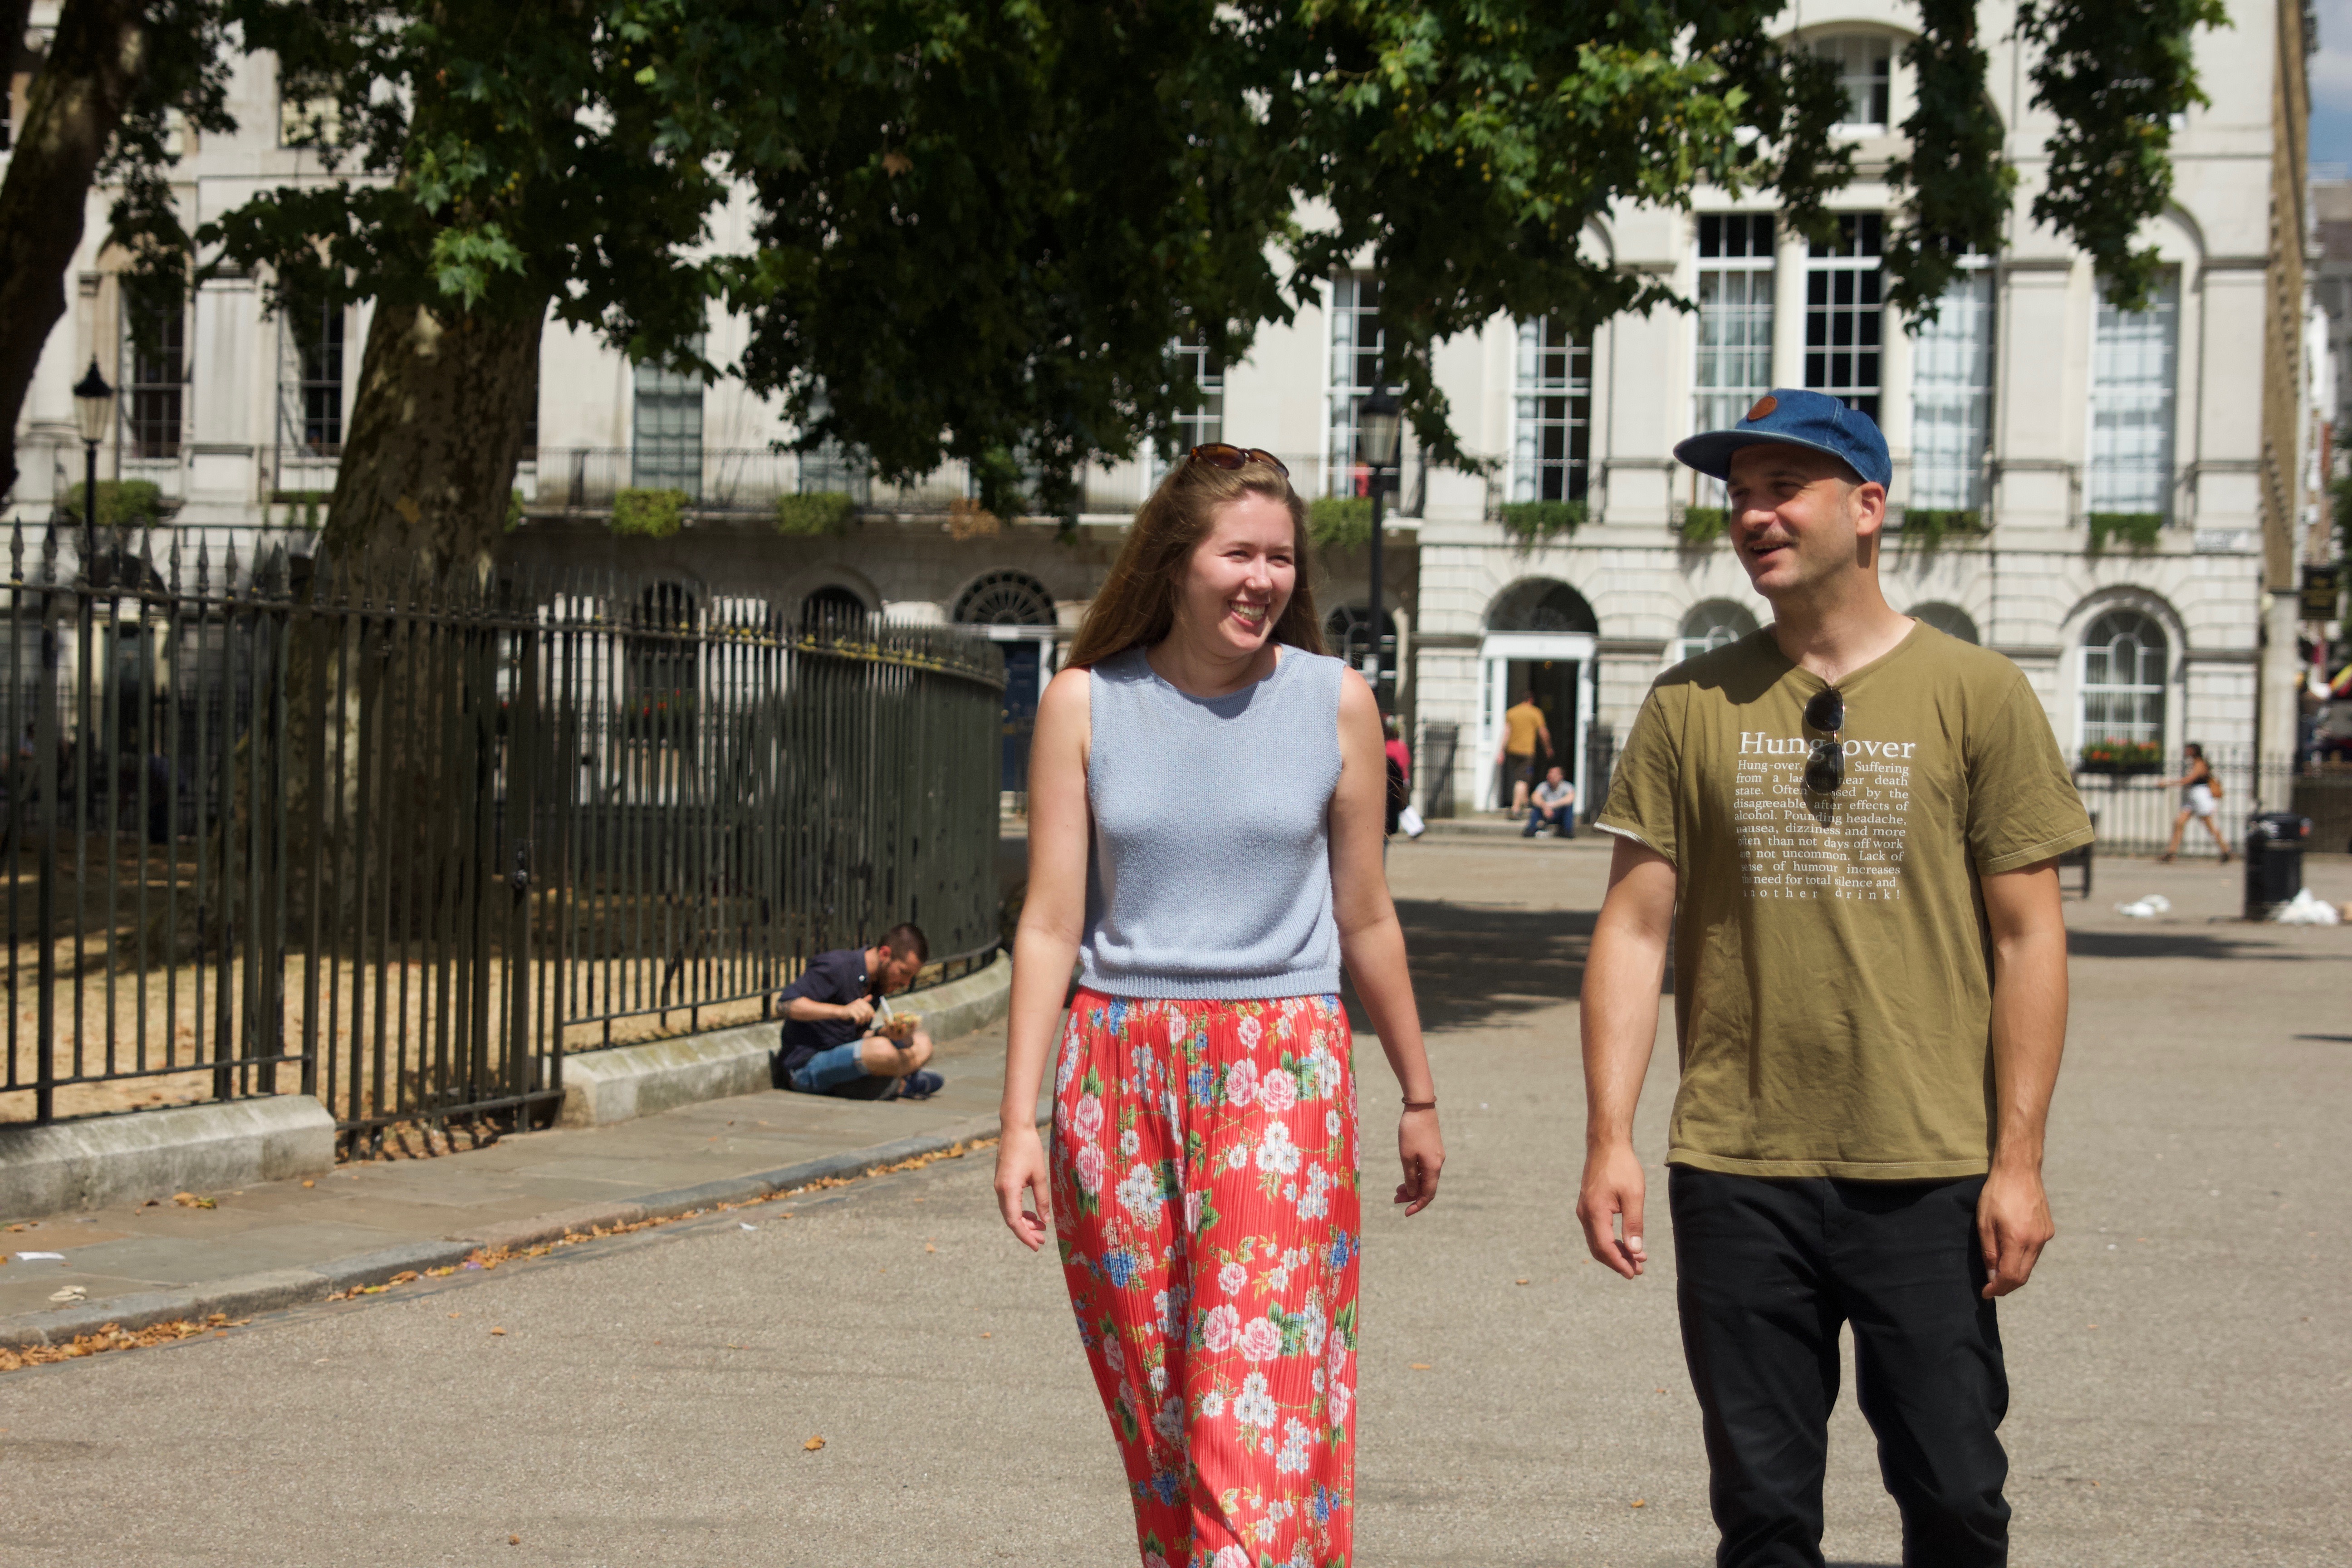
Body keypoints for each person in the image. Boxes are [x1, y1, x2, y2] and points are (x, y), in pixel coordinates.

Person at [1576, 389, 2091, 1568]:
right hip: (1737, 1166)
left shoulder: (1978, 694)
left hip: (1928, 1170)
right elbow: (1634, 929)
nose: (1753, 514)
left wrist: (2019, 1164)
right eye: (1739, 493)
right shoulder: (1688, 702)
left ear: (1867, 508)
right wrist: (1610, 1135)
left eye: (1781, 487)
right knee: (1763, 1515)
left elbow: (2029, 940)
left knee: (1957, 1499)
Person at [993, 441, 1445, 1568]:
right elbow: (1049, 921)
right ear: (1176, 560)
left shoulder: (1334, 702)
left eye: (1281, 557)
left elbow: (1367, 913)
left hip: (1280, 1067)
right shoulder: (1083, 702)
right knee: (1161, 1416)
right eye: (1238, 552)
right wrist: (1018, 1120)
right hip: (1113, 1070)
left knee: (1251, 1409)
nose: (1263, 578)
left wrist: (1417, 1088)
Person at [772, 923, 943, 1100]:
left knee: (923, 1043)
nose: (906, 983)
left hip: (847, 1054)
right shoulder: (837, 965)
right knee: (883, 1051)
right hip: (805, 1066)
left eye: (910, 977)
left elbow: (855, 1037)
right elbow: (785, 1005)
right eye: (904, 972)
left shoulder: (877, 983)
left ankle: (888, 1081)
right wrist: (842, 1011)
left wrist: (883, 1033)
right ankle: (901, 1082)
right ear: (885, 954)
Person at [2156, 742, 2231, 863]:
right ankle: (2171, 852)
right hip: (2193, 798)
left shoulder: (2200, 764)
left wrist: (2168, 783)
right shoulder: (2195, 764)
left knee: (2210, 826)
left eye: (2189, 750)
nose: (2187, 752)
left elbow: (2189, 780)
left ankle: (2226, 850)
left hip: (2201, 798)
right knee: (2179, 823)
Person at [1497, 692, 1551, 813]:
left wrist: (1501, 751)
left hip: (1512, 751)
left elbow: (1506, 732)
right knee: (1522, 779)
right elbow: (1543, 732)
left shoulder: (1511, 712)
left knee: (1525, 776)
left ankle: (1525, 803)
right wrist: (1548, 748)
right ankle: (1516, 808)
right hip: (1527, 752)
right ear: (1531, 700)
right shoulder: (1535, 712)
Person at [1523, 765, 1574, 838]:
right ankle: (1530, 830)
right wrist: (1545, 807)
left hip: (1558, 812)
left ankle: (1568, 831)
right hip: (1545, 812)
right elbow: (1535, 798)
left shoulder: (1567, 786)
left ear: (1560, 777)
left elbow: (1570, 799)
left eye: (1554, 774)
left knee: (1568, 807)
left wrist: (1552, 806)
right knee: (1536, 808)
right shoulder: (1544, 786)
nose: (1550, 776)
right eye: (1549, 774)